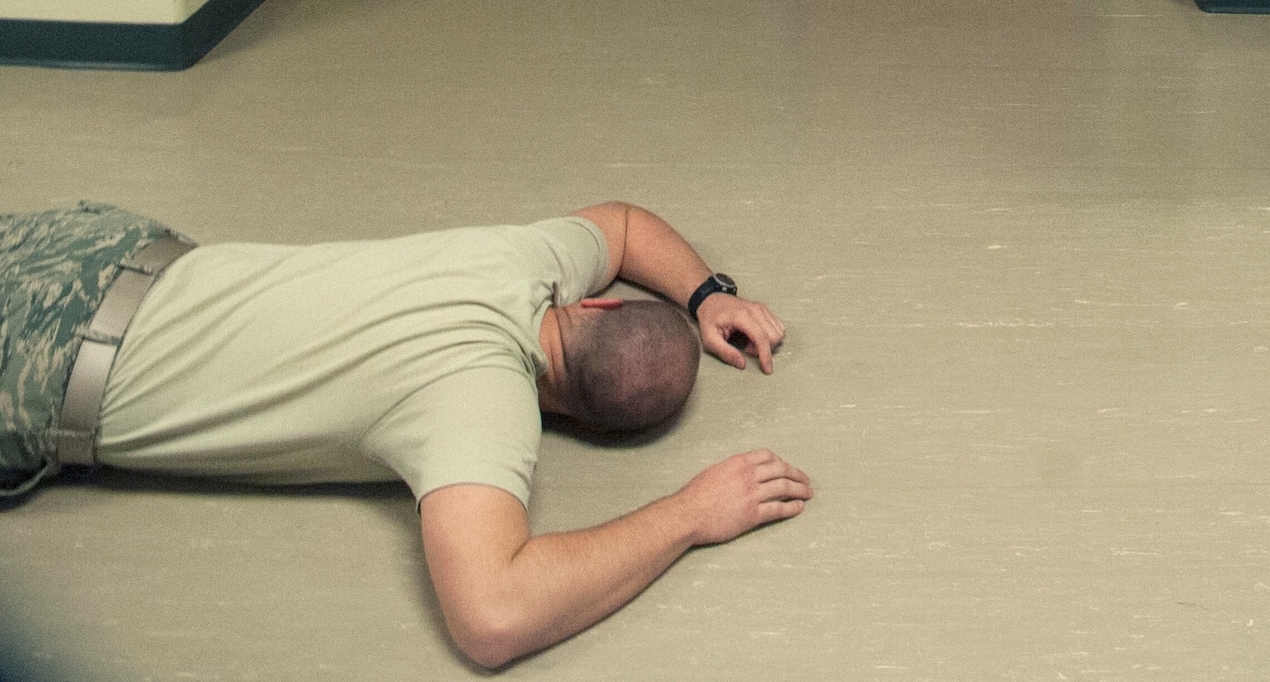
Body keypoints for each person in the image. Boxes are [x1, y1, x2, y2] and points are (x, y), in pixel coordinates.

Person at [0, 198, 812, 668]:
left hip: (107, 247)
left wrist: (708, 293)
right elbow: (494, 613)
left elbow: (626, 225)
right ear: (575, 424)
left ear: (593, 301)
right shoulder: (478, 404)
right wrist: (688, 514)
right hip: (44, 366)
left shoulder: (516, 257)